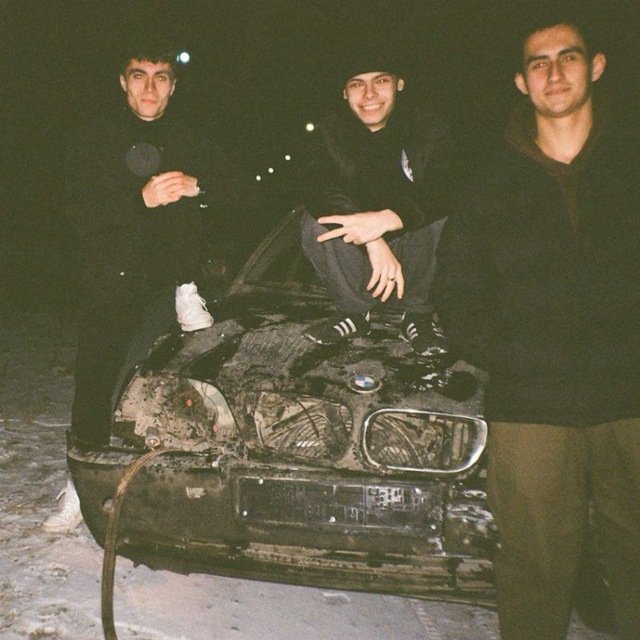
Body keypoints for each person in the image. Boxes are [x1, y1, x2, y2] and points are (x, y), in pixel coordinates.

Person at [433, 10, 640, 640]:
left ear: (595, 66)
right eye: (538, 63)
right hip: (531, 407)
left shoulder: (630, 164)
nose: (554, 73)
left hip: (632, 398)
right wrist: (515, 358)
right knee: (533, 568)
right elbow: (457, 294)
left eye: (568, 57)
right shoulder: (487, 182)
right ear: (522, 82)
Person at [44, 41, 239, 532]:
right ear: (122, 82)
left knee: (177, 391)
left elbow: (243, 190)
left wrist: (200, 186)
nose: (149, 87)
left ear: (173, 86)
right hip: (112, 278)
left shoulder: (192, 137)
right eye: (139, 75)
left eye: (160, 77)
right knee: (98, 382)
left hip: (172, 283)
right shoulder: (93, 139)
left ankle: (182, 491)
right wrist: (140, 200)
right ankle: (80, 487)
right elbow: (75, 214)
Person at [299, 53, 455, 354]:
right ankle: (353, 313)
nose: (369, 94)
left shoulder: (428, 127)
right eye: (357, 84)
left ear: (399, 84)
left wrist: (389, 219)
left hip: (413, 253)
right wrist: (372, 239)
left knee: (442, 215)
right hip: (359, 260)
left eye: (380, 81)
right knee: (315, 221)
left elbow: (447, 185)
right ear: (345, 93)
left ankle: (418, 315)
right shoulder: (327, 132)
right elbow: (317, 186)